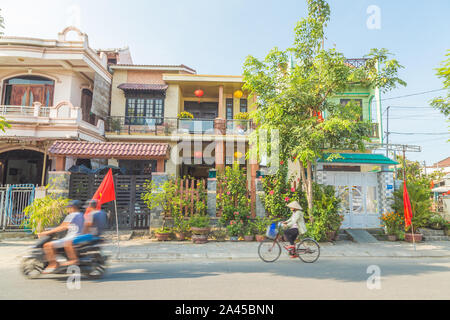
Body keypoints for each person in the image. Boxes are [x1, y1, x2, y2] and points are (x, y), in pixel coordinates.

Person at [38, 200, 84, 273]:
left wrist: (46, 232)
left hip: (71, 238)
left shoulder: (72, 215)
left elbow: (62, 227)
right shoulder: (81, 215)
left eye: (68, 208)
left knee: (47, 245)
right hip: (78, 237)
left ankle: (53, 263)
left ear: (73, 207)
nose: (67, 210)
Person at [63, 200, 108, 266]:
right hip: (99, 235)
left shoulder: (91, 214)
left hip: (90, 236)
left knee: (69, 242)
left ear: (90, 206)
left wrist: (81, 234)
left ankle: (74, 260)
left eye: (87, 207)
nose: (86, 208)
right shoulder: (103, 213)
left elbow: (87, 226)